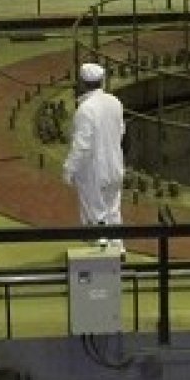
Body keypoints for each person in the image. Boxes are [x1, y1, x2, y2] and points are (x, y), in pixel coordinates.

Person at [62, 62, 125, 252]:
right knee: (113, 211)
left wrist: (69, 169)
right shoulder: (115, 102)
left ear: (82, 83)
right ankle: (119, 248)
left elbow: (82, 146)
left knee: (97, 216)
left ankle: (103, 254)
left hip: (94, 173)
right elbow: (121, 132)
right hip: (116, 167)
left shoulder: (85, 109)